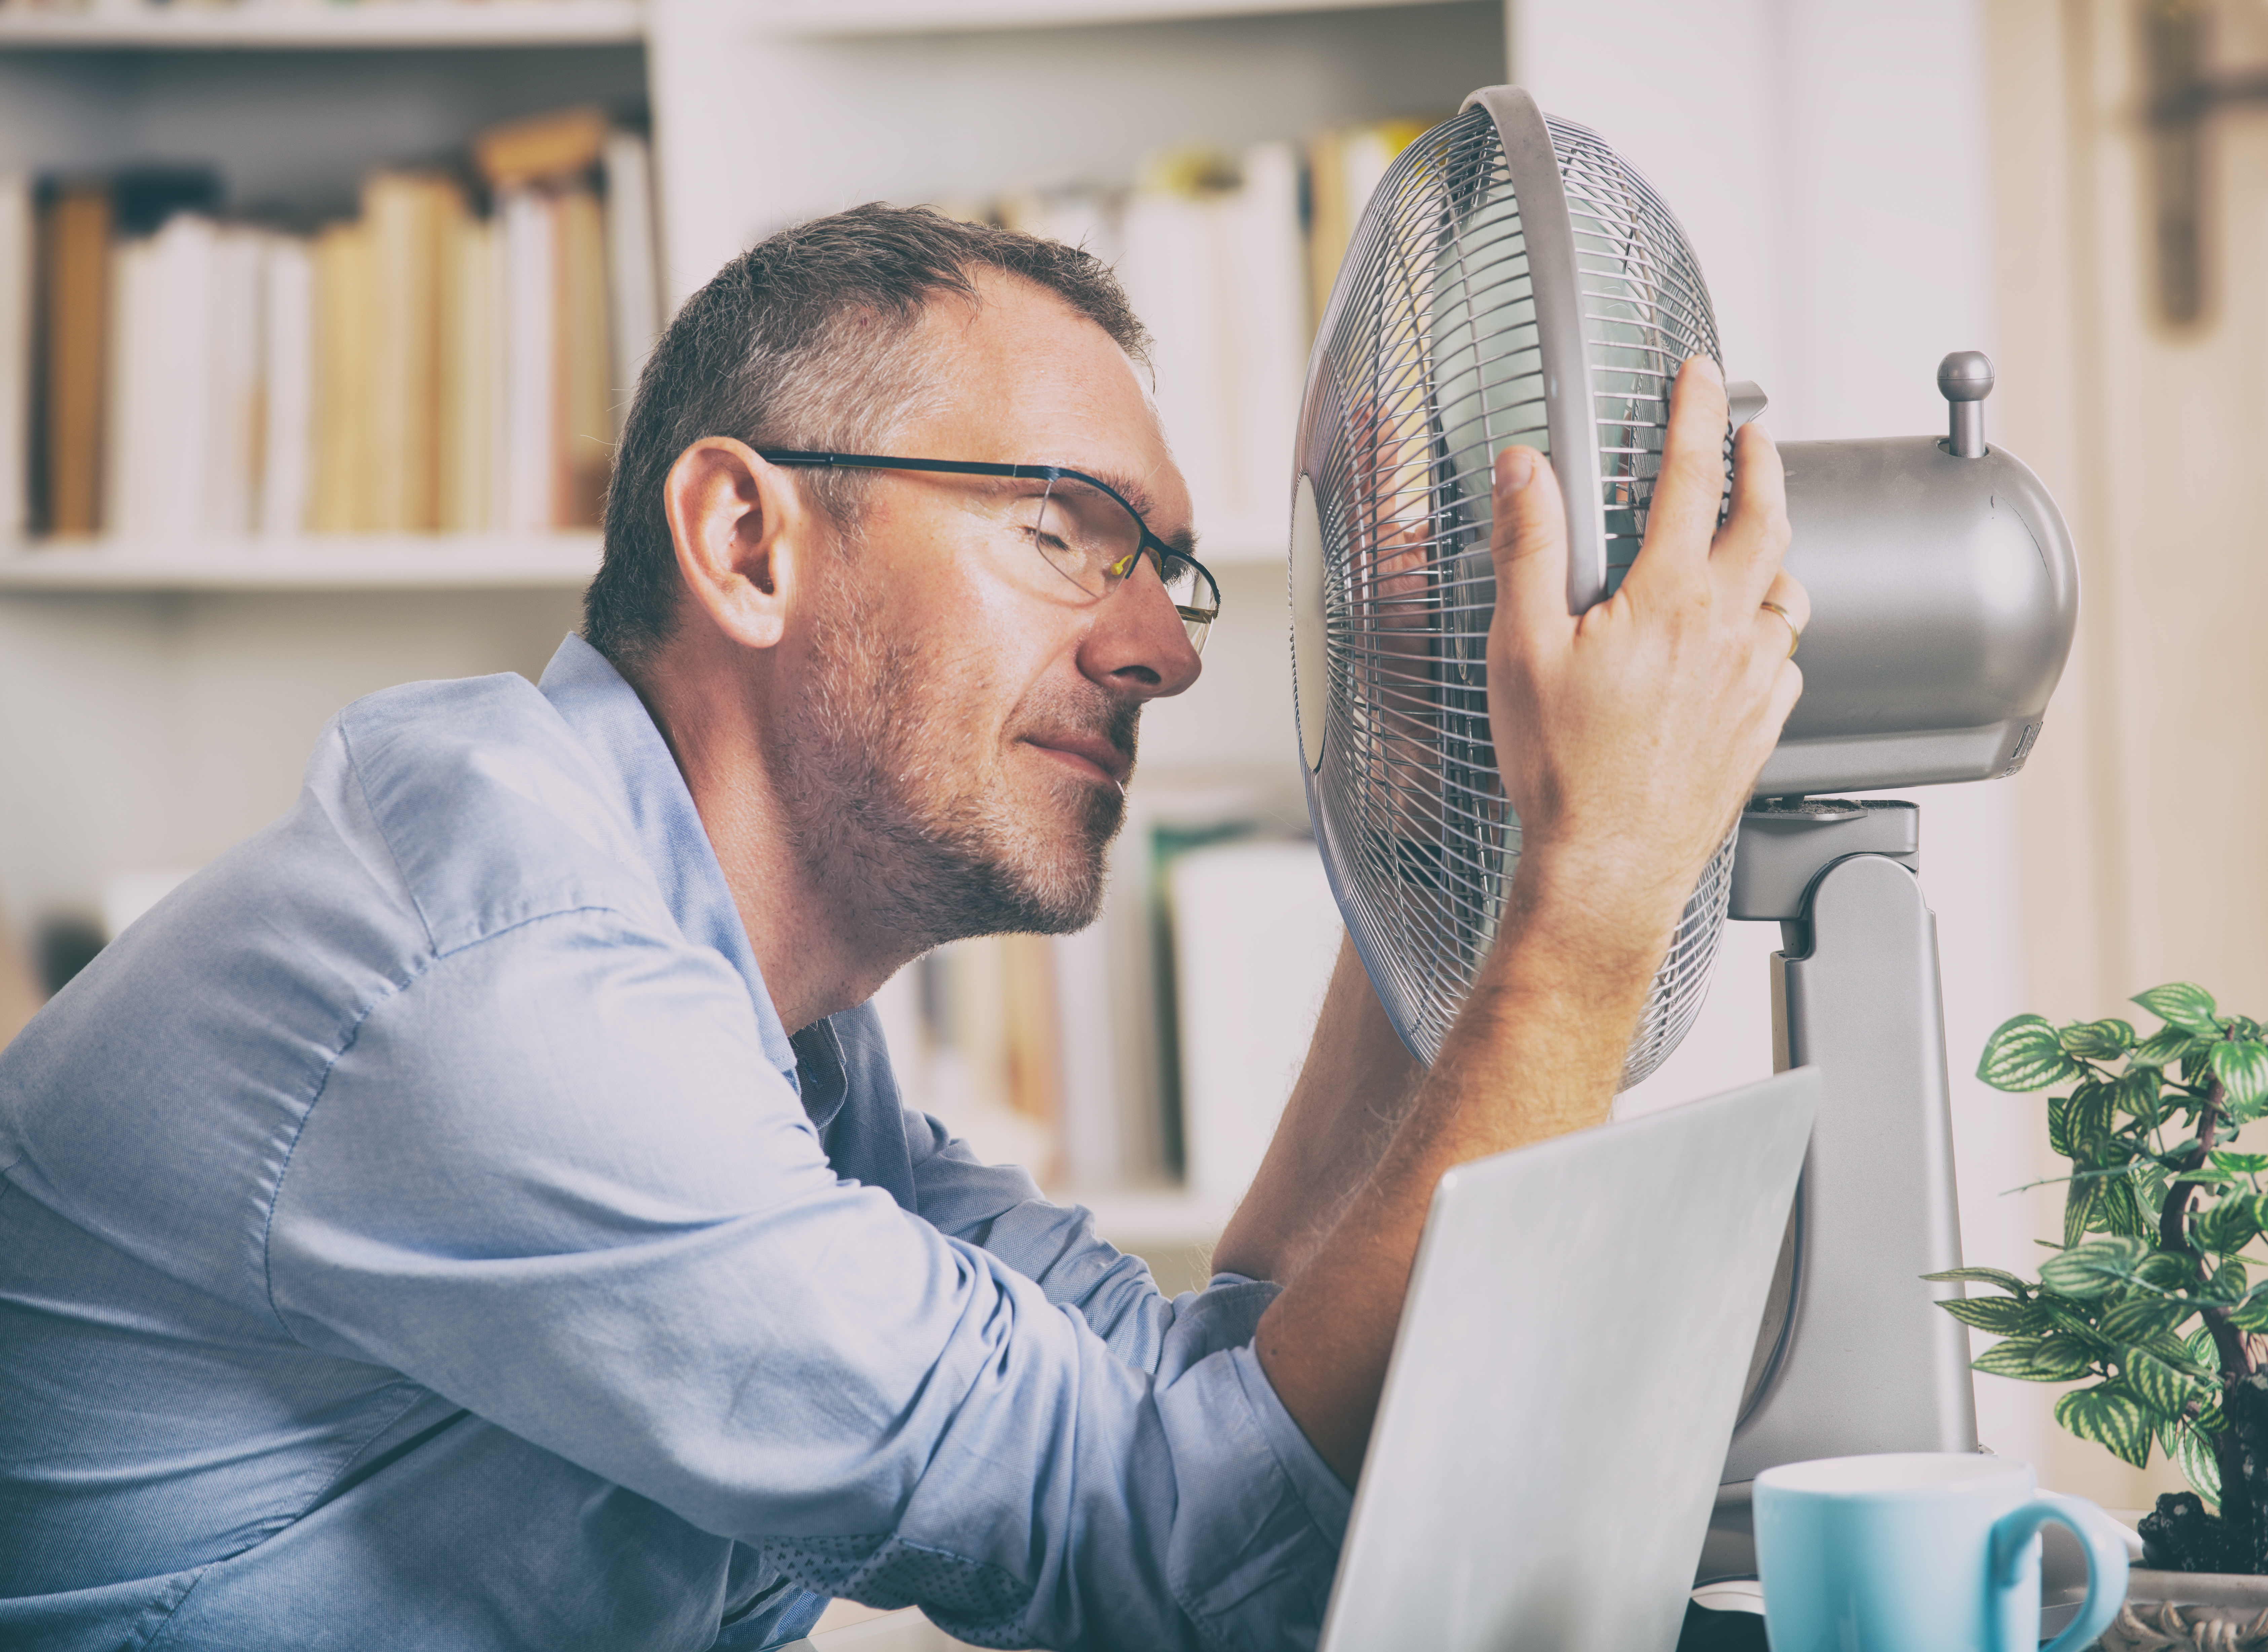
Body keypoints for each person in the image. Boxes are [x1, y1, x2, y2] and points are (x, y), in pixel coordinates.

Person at [0, 204, 1805, 1651]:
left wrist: (1432, 844)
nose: (1169, 648)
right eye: (1064, 530)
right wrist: (1588, 900)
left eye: (1167, 573)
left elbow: (1208, 1405)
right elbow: (1167, 1562)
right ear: (747, 540)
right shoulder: (513, 996)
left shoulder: (764, 1024)